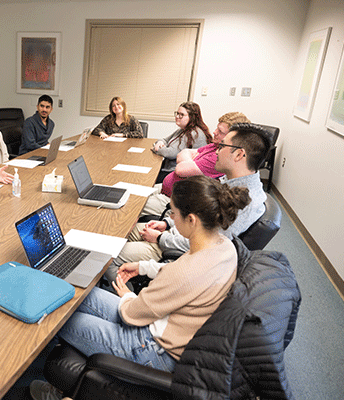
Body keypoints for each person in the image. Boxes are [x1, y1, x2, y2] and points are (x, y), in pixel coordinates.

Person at [29, 175, 250, 400]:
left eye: (173, 213)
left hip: (151, 348)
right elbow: (182, 276)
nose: (171, 218)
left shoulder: (187, 272)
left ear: (191, 219)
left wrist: (127, 297)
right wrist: (145, 267)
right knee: (80, 294)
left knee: (59, 316)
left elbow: (131, 314)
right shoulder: (224, 247)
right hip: (170, 330)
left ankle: (60, 389)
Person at [105, 123, 270, 291]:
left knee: (107, 253)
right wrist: (168, 225)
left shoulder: (245, 203)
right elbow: (200, 220)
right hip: (174, 233)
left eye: (222, 146)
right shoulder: (231, 182)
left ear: (239, 154)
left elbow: (204, 248)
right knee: (115, 233)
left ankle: (128, 303)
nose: (217, 151)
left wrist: (161, 238)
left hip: (175, 249)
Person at [142, 112, 250, 216]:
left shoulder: (219, 157)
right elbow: (183, 153)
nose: (214, 132)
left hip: (174, 201)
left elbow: (180, 169)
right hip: (166, 189)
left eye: (220, 131)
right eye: (217, 128)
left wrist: (189, 161)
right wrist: (192, 162)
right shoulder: (215, 146)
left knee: (133, 204)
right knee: (135, 191)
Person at [152, 102, 211, 183]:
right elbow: (164, 140)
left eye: (181, 115)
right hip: (172, 169)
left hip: (179, 175)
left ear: (192, 117)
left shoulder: (193, 133)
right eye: (177, 113)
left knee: (148, 178)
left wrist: (156, 149)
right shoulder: (183, 130)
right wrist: (159, 143)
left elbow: (171, 153)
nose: (177, 117)